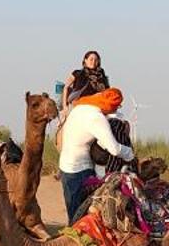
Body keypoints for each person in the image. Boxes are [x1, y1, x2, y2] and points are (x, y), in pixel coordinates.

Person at [57, 87, 132, 224]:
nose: (116, 111)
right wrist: (130, 154)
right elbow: (114, 149)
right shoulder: (96, 118)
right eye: (116, 107)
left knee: (73, 211)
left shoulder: (82, 107)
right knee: (81, 218)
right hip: (79, 170)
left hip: (66, 166)